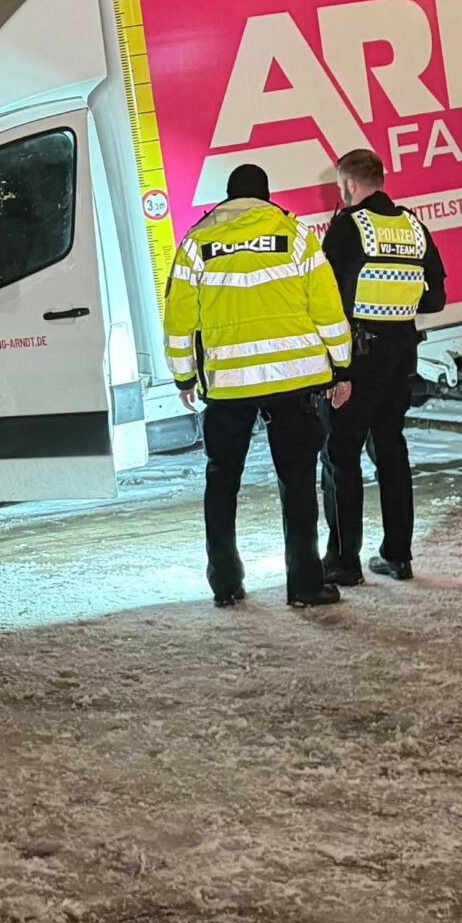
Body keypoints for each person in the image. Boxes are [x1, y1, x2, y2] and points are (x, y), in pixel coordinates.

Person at [163, 162, 353, 608]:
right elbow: (328, 308)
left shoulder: (197, 242)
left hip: (229, 386)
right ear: (266, 196)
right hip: (294, 381)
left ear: (228, 200)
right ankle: (305, 586)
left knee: (222, 480)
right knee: (299, 481)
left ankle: (225, 583)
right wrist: (342, 368)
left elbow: (178, 319)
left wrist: (184, 375)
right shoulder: (298, 237)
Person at [318, 148, 448, 583]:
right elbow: (435, 298)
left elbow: (325, 297)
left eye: (340, 186)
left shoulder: (346, 228)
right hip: (400, 359)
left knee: (341, 455)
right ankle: (398, 555)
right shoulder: (413, 225)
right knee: (390, 450)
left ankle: (343, 561)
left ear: (350, 185)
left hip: (356, 361)